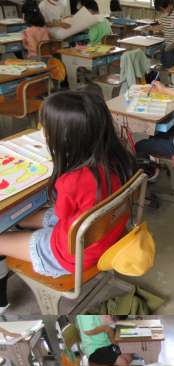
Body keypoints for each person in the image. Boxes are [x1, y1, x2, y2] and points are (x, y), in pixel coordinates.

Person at [0, 90, 136, 308]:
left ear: (66, 139)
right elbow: (63, 214)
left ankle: (2, 301)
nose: (44, 134)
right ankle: (20, 231)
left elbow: (62, 213)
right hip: (103, 234)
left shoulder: (72, 180)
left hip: (68, 255)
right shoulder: (119, 158)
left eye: (46, 129)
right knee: (22, 219)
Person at [153, 0, 174, 68]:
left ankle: (170, 67)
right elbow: (162, 27)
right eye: (161, 10)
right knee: (160, 50)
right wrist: (154, 30)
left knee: (168, 51)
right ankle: (166, 65)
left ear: (169, 5)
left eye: (164, 9)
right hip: (167, 41)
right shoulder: (162, 15)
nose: (164, 11)